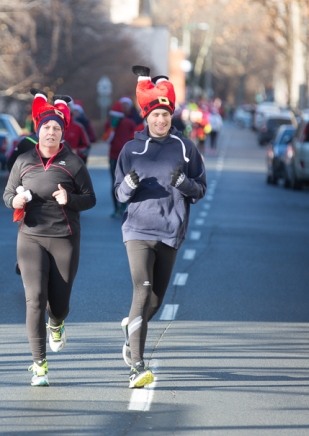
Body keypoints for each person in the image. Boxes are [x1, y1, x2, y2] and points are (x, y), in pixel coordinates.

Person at [115, 66, 207, 388]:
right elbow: (119, 194)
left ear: (171, 116)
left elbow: (200, 189)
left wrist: (184, 185)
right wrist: (128, 185)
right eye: (155, 115)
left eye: (165, 115)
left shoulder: (185, 148)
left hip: (171, 230)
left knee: (155, 301)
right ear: (147, 117)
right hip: (138, 230)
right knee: (141, 291)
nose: (161, 120)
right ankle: (137, 366)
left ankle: (132, 332)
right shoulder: (131, 150)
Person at [4, 89, 96, 386]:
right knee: (34, 301)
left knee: (58, 304)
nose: (51, 132)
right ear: (38, 130)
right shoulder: (23, 161)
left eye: (57, 128)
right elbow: (7, 194)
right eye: (47, 128)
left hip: (64, 238)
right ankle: (39, 364)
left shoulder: (74, 163)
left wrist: (69, 198)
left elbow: (91, 199)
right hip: (30, 237)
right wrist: (15, 202)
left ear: (62, 132)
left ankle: (56, 323)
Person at [105, 100, 136, 218]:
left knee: (127, 182)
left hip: (127, 158)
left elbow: (134, 139)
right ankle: (116, 208)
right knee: (114, 183)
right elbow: (107, 140)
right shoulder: (109, 124)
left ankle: (124, 205)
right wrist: (112, 127)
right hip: (113, 157)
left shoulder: (130, 123)